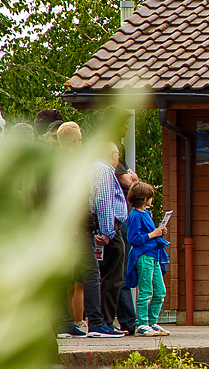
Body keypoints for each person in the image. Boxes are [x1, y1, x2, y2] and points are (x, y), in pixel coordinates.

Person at [55, 124, 121, 339]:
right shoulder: (76, 165)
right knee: (92, 273)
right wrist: (100, 226)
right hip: (78, 227)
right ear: (77, 142)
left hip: (59, 228)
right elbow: (88, 198)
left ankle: (63, 324)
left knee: (63, 275)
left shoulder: (53, 162)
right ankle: (96, 323)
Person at [92, 141, 138, 334]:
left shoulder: (100, 169)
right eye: (118, 154)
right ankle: (106, 322)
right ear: (112, 154)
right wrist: (108, 231)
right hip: (110, 230)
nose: (118, 157)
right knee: (113, 277)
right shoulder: (104, 170)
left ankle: (104, 321)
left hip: (108, 228)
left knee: (107, 276)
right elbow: (103, 201)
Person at [125, 181, 170, 336]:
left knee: (160, 291)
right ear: (144, 199)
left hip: (154, 255)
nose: (152, 200)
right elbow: (134, 239)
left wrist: (159, 232)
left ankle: (153, 321)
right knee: (146, 290)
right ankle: (142, 323)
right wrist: (153, 234)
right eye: (150, 197)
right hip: (144, 256)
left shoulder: (146, 214)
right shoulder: (135, 216)